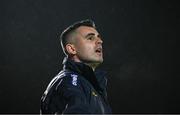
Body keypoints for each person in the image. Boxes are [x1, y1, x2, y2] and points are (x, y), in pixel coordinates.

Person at [40, 19, 112, 114]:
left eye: (99, 37)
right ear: (72, 49)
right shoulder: (69, 81)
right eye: (90, 38)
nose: (100, 41)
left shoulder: (89, 85)